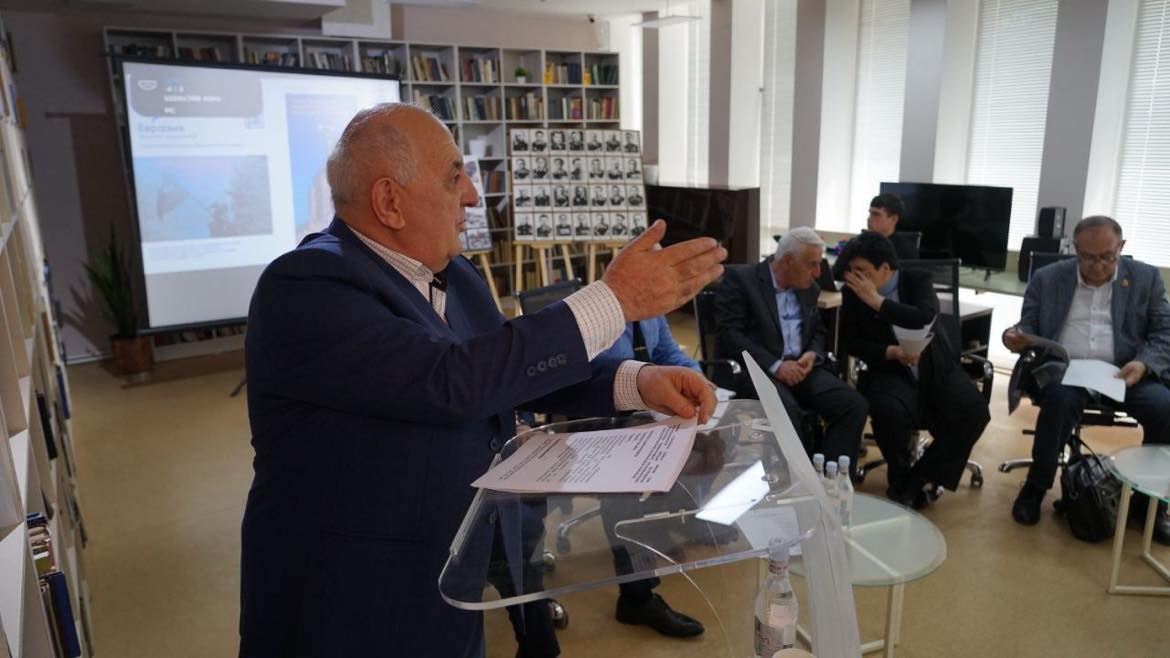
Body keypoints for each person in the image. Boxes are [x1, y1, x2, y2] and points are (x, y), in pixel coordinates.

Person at [240, 103, 727, 657]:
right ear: (389, 202)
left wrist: (636, 381)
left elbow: (507, 371)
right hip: (349, 603)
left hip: (451, 575)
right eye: (455, 177)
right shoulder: (306, 286)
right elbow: (449, 380)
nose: (472, 196)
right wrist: (613, 300)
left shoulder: (457, 276)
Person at [1003, 216, 1170, 539]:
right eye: (1088, 257)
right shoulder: (1048, 278)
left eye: (1107, 256)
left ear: (1121, 247)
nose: (1098, 265)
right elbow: (1029, 325)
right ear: (1074, 249)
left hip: (1126, 372)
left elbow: (1164, 332)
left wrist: (1143, 363)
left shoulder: (1146, 278)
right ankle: (1036, 487)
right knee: (1059, 401)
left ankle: (1150, 502)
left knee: (1166, 408)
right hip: (1067, 370)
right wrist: (1015, 336)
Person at [838, 232, 990, 508]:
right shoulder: (852, 292)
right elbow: (852, 342)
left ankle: (919, 478)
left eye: (863, 270)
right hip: (889, 369)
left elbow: (924, 317)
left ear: (885, 268)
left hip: (934, 366)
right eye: (852, 269)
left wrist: (877, 302)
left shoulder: (917, 280)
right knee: (887, 411)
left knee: (974, 412)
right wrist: (892, 352)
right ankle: (900, 479)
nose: (856, 276)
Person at [594, 317, 707, 639]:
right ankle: (637, 598)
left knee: (715, 445)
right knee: (624, 501)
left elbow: (668, 354)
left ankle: (676, 518)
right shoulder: (598, 316)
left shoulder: (651, 312)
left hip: (651, 414)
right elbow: (596, 378)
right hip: (604, 421)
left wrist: (699, 381)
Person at [716, 227, 868, 465]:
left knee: (853, 404)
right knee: (788, 411)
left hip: (802, 369)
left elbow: (818, 331)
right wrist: (776, 366)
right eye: (812, 264)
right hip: (759, 370)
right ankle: (796, 479)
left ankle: (828, 476)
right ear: (787, 260)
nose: (818, 273)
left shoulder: (809, 288)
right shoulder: (742, 280)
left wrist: (812, 354)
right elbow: (730, 335)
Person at [832, 194, 919, 280]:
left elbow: (908, 283)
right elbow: (835, 273)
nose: (869, 219)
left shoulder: (907, 250)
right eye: (870, 213)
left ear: (894, 219)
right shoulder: (856, 243)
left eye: (876, 214)